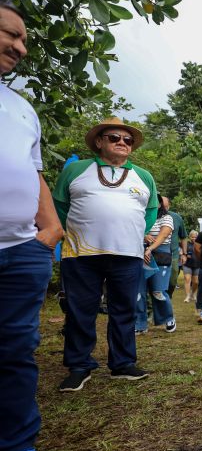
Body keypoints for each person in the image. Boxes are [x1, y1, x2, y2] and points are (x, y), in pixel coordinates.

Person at [0, 0, 64, 451]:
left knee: (15, 352)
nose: (21, 47)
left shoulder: (21, 109)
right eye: (10, 34)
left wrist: (50, 228)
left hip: (22, 249)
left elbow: (33, 171)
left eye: (23, 38)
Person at [53, 117, 157, 392]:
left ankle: (122, 363)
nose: (122, 142)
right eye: (114, 137)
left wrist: (132, 233)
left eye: (128, 140)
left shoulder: (143, 176)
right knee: (80, 310)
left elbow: (150, 212)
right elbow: (60, 205)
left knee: (124, 309)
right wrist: (78, 230)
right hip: (81, 254)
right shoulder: (76, 170)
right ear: (99, 142)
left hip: (128, 254)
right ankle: (79, 366)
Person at [135, 194, 176, 334]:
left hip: (160, 255)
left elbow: (163, 235)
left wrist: (150, 249)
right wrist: (144, 236)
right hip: (139, 254)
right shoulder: (140, 217)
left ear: (159, 204)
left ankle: (168, 318)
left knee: (158, 291)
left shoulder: (167, 218)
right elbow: (133, 231)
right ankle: (140, 324)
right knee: (138, 292)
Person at [162, 196, 187, 298]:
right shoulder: (153, 216)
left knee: (172, 280)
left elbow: (183, 236)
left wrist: (184, 254)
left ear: (169, 205)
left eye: (165, 206)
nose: (163, 208)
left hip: (173, 255)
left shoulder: (176, 217)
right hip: (157, 253)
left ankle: (168, 297)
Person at [182, 230, 199, 303]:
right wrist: (185, 255)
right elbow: (182, 252)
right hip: (187, 264)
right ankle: (187, 296)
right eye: (192, 237)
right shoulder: (186, 244)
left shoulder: (200, 244)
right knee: (187, 279)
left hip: (197, 265)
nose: (194, 238)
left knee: (196, 282)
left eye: (195, 237)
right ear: (189, 237)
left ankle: (193, 293)